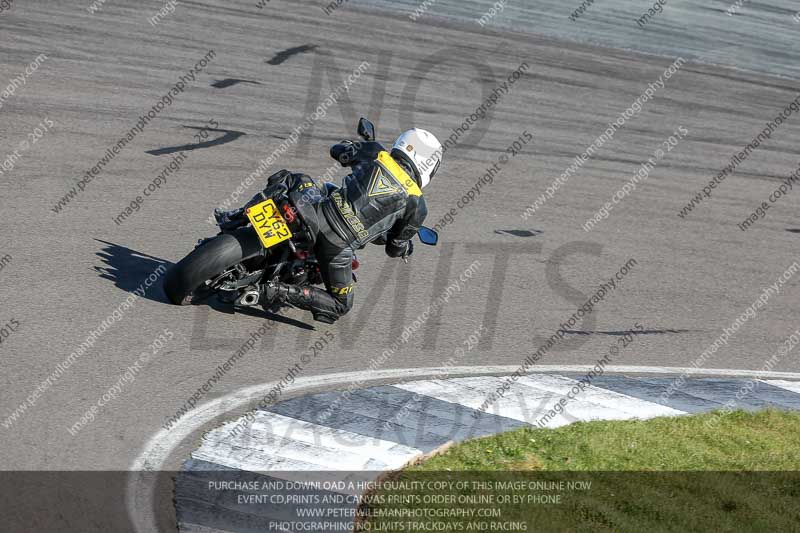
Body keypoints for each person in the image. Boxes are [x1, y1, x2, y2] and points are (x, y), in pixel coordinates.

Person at [260, 127, 443, 324]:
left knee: (295, 179)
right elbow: (394, 248)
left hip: (315, 212)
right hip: (337, 249)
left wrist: (353, 148)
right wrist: (404, 245)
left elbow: (336, 151)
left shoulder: (376, 153)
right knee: (340, 304)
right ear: (429, 165)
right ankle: (275, 290)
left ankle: (239, 215)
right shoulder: (417, 205)